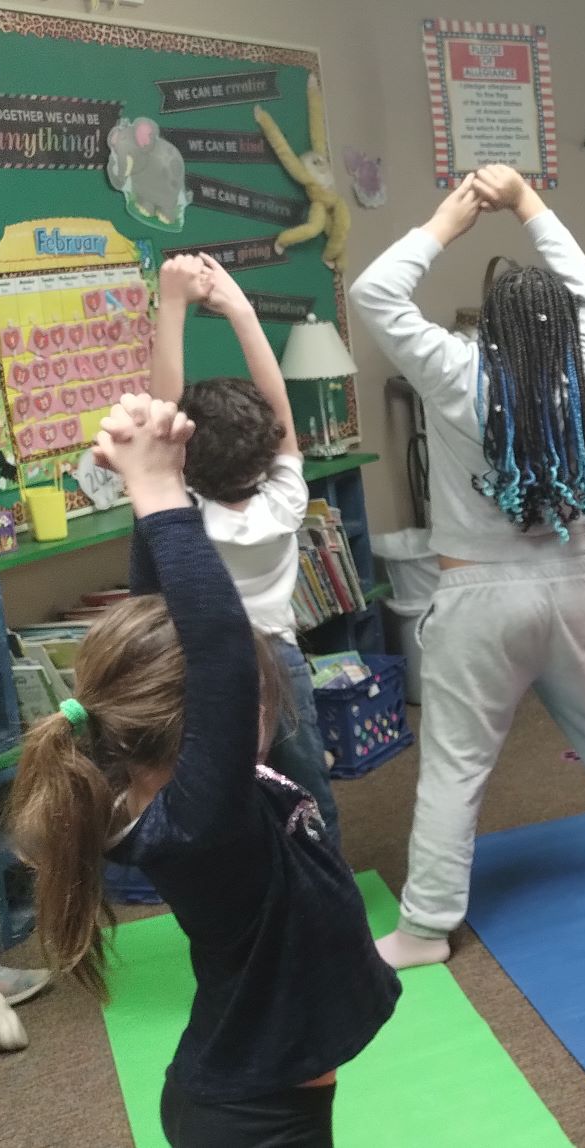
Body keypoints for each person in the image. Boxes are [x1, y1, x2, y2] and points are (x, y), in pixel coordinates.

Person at [7, 394, 399, 1145]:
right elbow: (217, 647)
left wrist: (161, 489)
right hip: (253, 1123)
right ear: (223, 714)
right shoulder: (199, 823)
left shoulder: (179, 791)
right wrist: (157, 491)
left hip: (254, 1094)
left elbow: (165, 619)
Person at [350, 166, 585, 969]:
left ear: (490, 327)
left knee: (455, 766)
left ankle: (426, 927)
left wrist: (451, 218)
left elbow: (373, 292)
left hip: (478, 599)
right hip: (571, 587)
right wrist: (531, 204)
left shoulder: (455, 369)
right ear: (565, 328)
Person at [151, 252, 339, 847]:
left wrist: (172, 303)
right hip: (280, 660)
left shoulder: (187, 516)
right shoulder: (285, 500)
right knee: (305, 781)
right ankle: (324, 864)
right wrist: (239, 309)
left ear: (184, 454)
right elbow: (278, 403)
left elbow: (161, 414)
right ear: (269, 448)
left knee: (218, 787)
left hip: (208, 665)